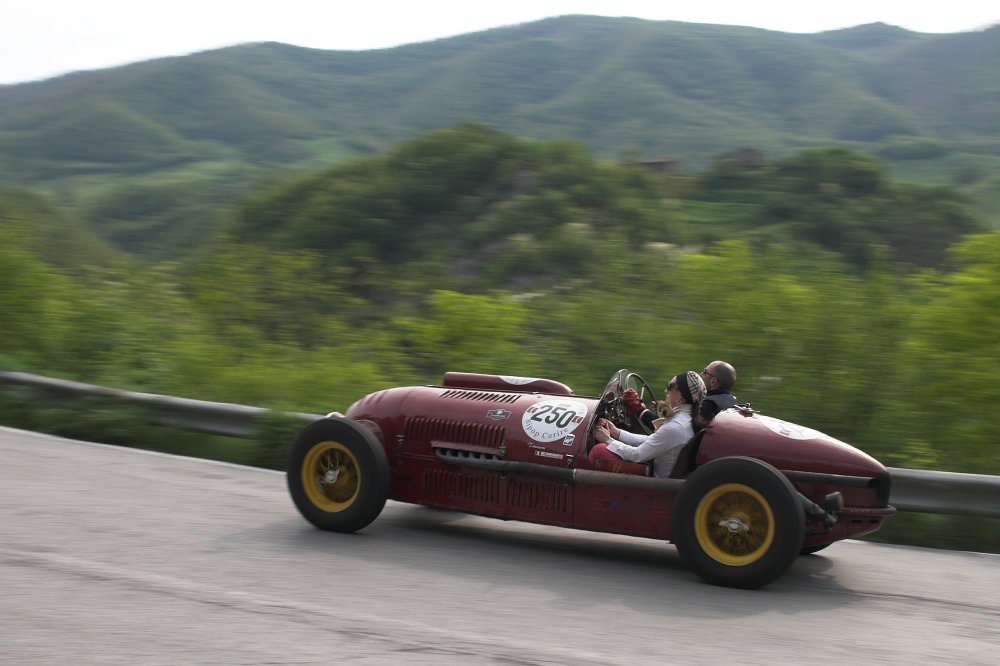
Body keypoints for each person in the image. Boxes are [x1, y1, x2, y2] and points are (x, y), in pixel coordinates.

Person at [589, 371, 706, 477]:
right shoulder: (686, 419)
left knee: (599, 451)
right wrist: (617, 433)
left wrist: (608, 440)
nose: (666, 390)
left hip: (655, 484)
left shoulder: (676, 426)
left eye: (669, 386)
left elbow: (637, 455)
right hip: (657, 470)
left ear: (680, 395)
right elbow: (651, 440)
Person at [624, 359, 737, 431]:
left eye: (704, 372)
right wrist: (665, 411)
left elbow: (670, 429)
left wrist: (639, 409)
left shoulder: (708, 405)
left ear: (713, 381)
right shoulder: (730, 401)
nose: (700, 374)